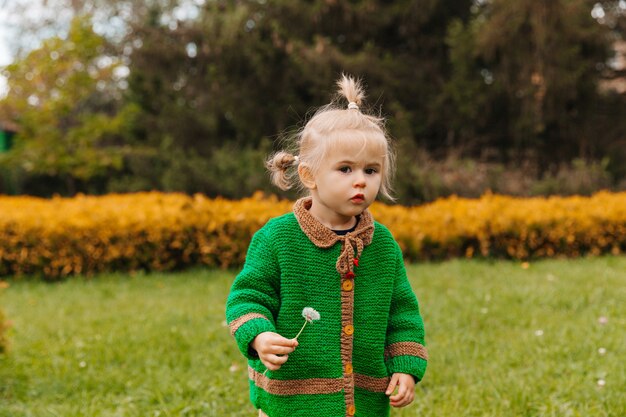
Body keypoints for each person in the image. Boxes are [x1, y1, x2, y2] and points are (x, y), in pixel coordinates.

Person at [225, 74, 428, 417]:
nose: (361, 179)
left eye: (372, 170)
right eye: (345, 169)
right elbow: (247, 297)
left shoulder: (383, 245)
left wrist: (406, 366)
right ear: (309, 176)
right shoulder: (277, 239)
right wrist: (259, 337)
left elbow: (402, 312)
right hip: (290, 401)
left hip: (363, 402)